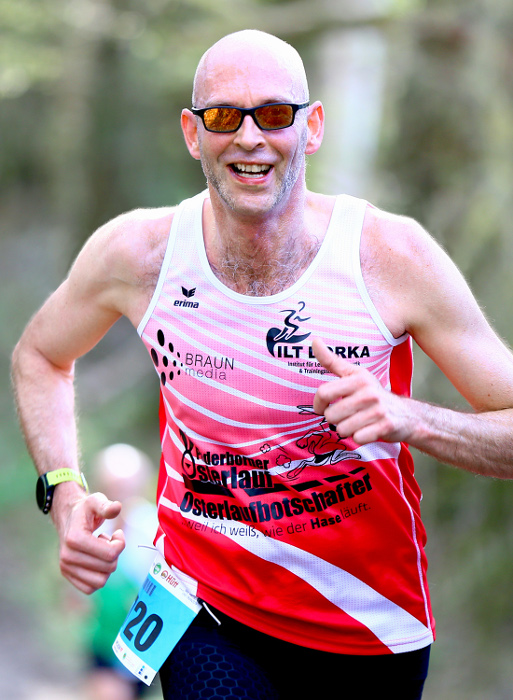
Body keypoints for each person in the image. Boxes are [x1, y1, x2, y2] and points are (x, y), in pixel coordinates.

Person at [11, 29, 513, 700]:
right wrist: (64, 492)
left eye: (274, 114)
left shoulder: (390, 258)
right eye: (224, 116)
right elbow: (40, 355)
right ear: (193, 134)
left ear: (313, 129)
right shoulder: (139, 256)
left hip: (366, 622)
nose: (249, 136)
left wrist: (408, 417)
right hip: (200, 605)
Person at [82, 443, 157, 700]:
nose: (120, 493)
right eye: (113, 485)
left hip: (143, 639)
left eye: (126, 485)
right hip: (102, 637)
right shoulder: (95, 525)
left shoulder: (153, 526)